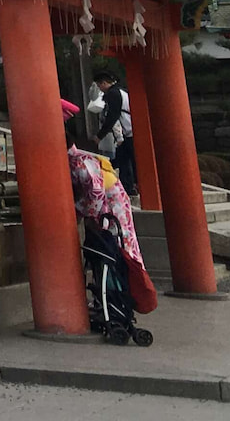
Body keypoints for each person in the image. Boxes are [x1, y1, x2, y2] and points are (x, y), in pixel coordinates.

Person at [63, 101, 158, 314]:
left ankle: (119, 298)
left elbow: (96, 193)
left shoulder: (80, 162)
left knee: (117, 251)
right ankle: (110, 300)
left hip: (111, 210)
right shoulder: (79, 159)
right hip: (109, 209)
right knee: (109, 252)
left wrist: (76, 210)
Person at [93, 70, 138, 201]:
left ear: (104, 83)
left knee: (127, 161)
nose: (100, 88)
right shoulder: (121, 91)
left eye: (99, 85)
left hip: (129, 132)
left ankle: (130, 187)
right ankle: (129, 187)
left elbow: (113, 117)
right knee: (124, 161)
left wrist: (100, 135)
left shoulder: (113, 94)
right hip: (127, 133)